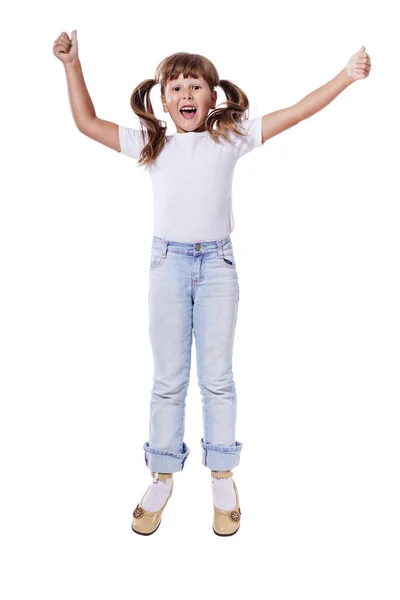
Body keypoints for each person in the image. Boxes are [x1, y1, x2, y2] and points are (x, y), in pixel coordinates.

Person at [53, 31, 372, 537]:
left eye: (195, 85)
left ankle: (222, 475)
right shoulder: (151, 142)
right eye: (175, 86)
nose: (185, 94)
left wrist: (346, 77)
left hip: (218, 267)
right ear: (163, 99)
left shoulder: (231, 136)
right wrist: (72, 65)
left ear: (212, 96)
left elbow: (298, 110)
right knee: (168, 378)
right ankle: (162, 475)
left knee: (217, 378)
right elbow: (86, 123)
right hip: (168, 266)